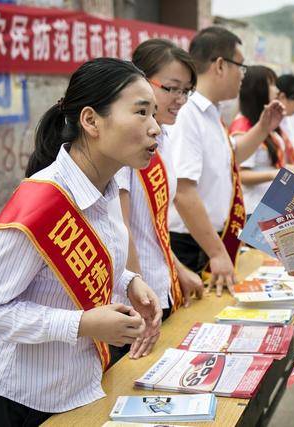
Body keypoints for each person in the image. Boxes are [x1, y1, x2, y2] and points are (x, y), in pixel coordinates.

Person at [0, 58, 160, 425]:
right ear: (91, 121)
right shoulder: (42, 202)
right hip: (27, 401)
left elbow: (98, 261)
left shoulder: (109, 187)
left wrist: (131, 282)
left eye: (155, 114)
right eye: (141, 113)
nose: (155, 129)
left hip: (84, 385)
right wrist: (81, 325)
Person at [169, 27, 284, 295]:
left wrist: (263, 127)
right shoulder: (187, 114)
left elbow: (231, 158)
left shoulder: (212, 113)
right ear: (220, 65)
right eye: (240, 66)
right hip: (192, 244)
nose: (242, 75)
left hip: (210, 240)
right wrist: (217, 252)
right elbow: (183, 192)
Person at [110, 40, 204, 362]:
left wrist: (177, 269)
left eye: (187, 91)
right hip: (136, 301)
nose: (180, 100)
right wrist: (140, 298)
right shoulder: (125, 145)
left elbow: (152, 228)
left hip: (159, 286)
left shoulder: (161, 139)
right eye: (172, 89)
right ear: (140, 82)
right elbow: (123, 231)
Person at [229, 66, 294, 214]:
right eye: (272, 84)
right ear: (258, 89)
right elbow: (239, 173)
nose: (277, 90)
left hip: (270, 205)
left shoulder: (265, 123)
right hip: (252, 209)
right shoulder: (243, 126)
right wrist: (274, 174)